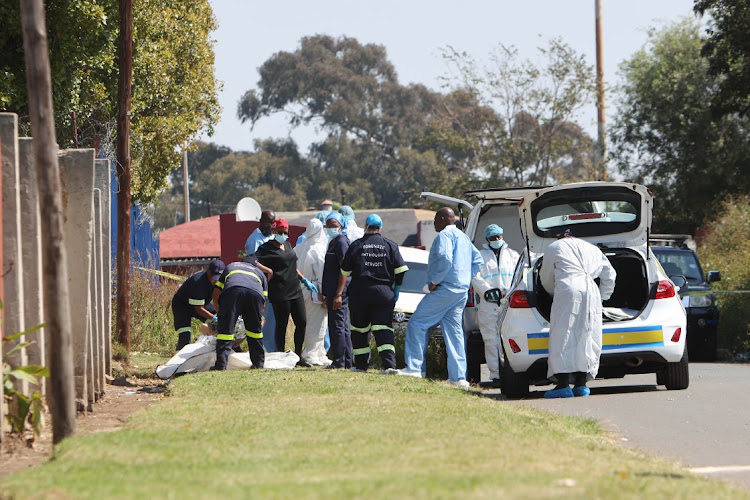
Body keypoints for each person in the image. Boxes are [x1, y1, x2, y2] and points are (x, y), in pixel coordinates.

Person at [399, 207, 483, 387]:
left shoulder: (444, 236)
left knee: (417, 323)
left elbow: (445, 259)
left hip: (445, 288)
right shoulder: (464, 237)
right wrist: (465, 279)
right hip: (460, 290)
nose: (435, 223)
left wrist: (433, 282)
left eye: (436, 219)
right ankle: (458, 378)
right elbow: (478, 261)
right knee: (455, 333)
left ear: (444, 219)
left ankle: (414, 368)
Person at [539, 230, 617, 398]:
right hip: (591, 291)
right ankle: (581, 385)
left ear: (560, 237)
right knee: (587, 336)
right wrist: (603, 297)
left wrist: (553, 292)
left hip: (567, 289)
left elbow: (545, 276)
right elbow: (610, 275)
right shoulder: (592, 248)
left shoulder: (555, 246)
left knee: (562, 335)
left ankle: (563, 385)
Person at [336, 214, 408, 372]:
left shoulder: (356, 245)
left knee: (360, 330)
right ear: (380, 228)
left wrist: (339, 293)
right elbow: (401, 270)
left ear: (366, 227)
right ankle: (389, 366)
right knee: (384, 329)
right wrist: (396, 289)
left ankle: (361, 366)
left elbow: (345, 271)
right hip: (384, 293)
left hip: (360, 292)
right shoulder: (390, 245)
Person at [256, 218, 316, 363]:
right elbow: (253, 261)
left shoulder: (288, 245)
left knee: (301, 322)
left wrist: (304, 280)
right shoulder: (266, 248)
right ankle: (281, 355)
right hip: (280, 292)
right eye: (280, 232)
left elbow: (292, 267)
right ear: (274, 231)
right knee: (281, 325)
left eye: (285, 232)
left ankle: (297, 355)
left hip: (295, 289)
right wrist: (268, 271)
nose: (283, 235)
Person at [471, 224, 519, 387]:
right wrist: (488, 291)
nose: (496, 240)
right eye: (493, 238)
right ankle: (496, 375)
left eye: (498, 237)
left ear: (503, 236)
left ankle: (513, 370)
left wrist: (509, 291)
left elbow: (519, 276)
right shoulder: (479, 256)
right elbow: (474, 276)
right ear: (487, 239)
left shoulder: (513, 255)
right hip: (488, 304)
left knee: (511, 337)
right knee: (491, 339)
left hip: (508, 302)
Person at [211, 256, 267, 370]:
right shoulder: (260, 273)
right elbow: (263, 302)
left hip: (233, 291)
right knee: (255, 332)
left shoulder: (231, 266)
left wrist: (220, 312)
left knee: (226, 331)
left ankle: (221, 364)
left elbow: (217, 291)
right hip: (255, 294)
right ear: (254, 265)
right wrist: (258, 318)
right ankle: (258, 363)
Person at [294, 217, 331, 366]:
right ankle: (310, 353)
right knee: (317, 324)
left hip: (300, 290)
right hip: (315, 291)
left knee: (308, 322)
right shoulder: (318, 250)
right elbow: (321, 274)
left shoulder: (299, 247)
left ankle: (319, 352)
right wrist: (325, 294)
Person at [321, 211, 352, 369]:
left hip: (339, 292)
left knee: (338, 326)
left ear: (341, 226)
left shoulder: (341, 242)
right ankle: (346, 361)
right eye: (328, 226)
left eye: (334, 226)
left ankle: (340, 361)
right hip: (332, 291)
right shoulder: (332, 242)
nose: (330, 228)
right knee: (340, 326)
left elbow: (344, 270)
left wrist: (339, 293)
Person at [172, 260, 226, 351]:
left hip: (202, 303)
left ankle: (229, 348)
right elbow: (199, 309)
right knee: (185, 334)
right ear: (208, 271)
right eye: (213, 276)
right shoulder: (198, 282)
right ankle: (180, 355)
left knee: (222, 323)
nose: (215, 280)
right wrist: (214, 318)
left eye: (218, 277)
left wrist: (220, 315)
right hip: (182, 305)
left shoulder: (220, 280)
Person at [243, 209, 277, 348]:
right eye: (267, 222)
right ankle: (263, 347)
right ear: (261, 222)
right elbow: (253, 262)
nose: (270, 226)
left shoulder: (272, 236)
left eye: (272, 223)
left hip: (273, 283)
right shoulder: (254, 240)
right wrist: (268, 270)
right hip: (260, 283)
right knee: (263, 316)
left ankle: (272, 346)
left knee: (272, 319)